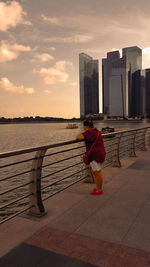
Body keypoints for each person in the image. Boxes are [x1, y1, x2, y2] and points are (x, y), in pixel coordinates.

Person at [76, 120, 106, 195]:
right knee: (96, 171)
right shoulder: (96, 131)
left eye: (84, 127)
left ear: (86, 126)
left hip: (94, 155)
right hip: (100, 153)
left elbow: (79, 137)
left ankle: (99, 190)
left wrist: (82, 133)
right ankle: (99, 187)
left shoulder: (89, 132)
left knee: (97, 172)